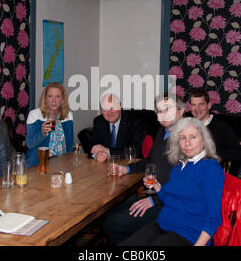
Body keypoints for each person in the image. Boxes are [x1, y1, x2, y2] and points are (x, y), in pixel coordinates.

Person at [120, 117, 225, 246]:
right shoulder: (178, 166)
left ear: (203, 140)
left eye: (193, 137)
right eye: (182, 138)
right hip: (163, 224)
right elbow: (169, 198)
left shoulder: (210, 168)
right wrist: (158, 187)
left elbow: (213, 216)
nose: (187, 143)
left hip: (188, 235)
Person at [100, 93, 185, 245]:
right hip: (154, 195)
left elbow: (186, 183)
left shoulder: (187, 139)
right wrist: (126, 169)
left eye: (168, 109)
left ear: (181, 110)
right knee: (107, 213)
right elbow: (150, 161)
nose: (163, 114)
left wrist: (154, 200)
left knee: (112, 224)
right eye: (159, 110)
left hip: (170, 205)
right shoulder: (163, 132)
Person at [189, 88, 241, 175]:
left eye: (201, 104)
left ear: (209, 105)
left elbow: (239, 153)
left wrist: (211, 153)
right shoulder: (186, 126)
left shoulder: (221, 128)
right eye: (193, 105)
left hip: (209, 174)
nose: (197, 109)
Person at [25, 82, 73, 167]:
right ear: (45, 99)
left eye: (57, 96)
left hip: (61, 163)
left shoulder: (68, 115)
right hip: (38, 163)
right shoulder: (35, 115)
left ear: (62, 99)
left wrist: (69, 165)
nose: (54, 100)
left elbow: (69, 144)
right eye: (50, 96)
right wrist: (42, 133)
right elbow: (29, 144)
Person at [89, 93, 144, 162]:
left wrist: (107, 151)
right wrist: (97, 154)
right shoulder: (99, 121)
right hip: (104, 165)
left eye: (112, 108)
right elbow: (92, 146)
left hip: (127, 164)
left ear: (120, 106)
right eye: (105, 109)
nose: (109, 112)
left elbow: (136, 151)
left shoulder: (134, 122)